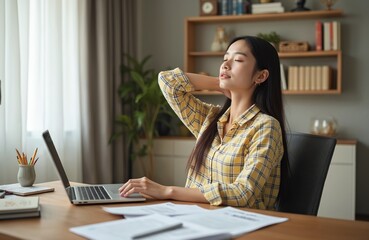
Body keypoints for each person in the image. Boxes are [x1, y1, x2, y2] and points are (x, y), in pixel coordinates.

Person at [119, 36, 288, 210]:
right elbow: (168, 82)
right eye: (225, 59)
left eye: (237, 60)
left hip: (242, 227)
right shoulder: (210, 118)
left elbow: (243, 193)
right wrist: (219, 83)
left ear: (261, 76)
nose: (226, 65)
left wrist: (168, 191)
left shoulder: (266, 127)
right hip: (195, 218)